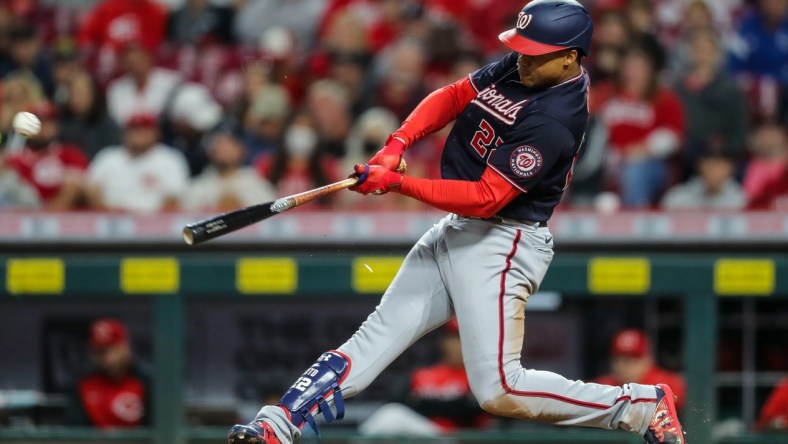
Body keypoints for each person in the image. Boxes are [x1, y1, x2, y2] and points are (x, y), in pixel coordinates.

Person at [227, 2, 686, 444]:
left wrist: (398, 185)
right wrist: (397, 143)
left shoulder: (557, 119)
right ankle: (278, 424)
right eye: (521, 48)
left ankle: (639, 406)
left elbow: (487, 198)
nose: (522, 59)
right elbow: (455, 95)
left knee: (500, 389)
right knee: (374, 338)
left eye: (536, 53)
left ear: (569, 58)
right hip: (458, 228)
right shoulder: (526, 63)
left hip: (504, 240)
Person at [358, 319, 490, 436]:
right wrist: (447, 405)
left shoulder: (479, 377)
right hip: (420, 435)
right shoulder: (421, 375)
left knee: (393, 417)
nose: (457, 345)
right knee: (390, 415)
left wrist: (420, 403)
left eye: (463, 339)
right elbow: (395, 401)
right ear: (444, 342)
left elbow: (467, 412)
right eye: (453, 338)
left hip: (456, 437)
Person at [85, 112, 189, 212]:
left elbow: (173, 199)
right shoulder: (107, 157)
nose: (138, 134)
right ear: (124, 133)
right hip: (110, 222)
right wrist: (107, 213)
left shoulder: (170, 159)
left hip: (155, 224)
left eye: (144, 129)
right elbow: (91, 190)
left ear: (156, 133)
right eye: (134, 129)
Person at [66, 318, 151, 428]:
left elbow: (157, 425)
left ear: (124, 347)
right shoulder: (83, 383)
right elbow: (74, 428)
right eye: (98, 351)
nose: (104, 357)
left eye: (110, 349)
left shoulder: (145, 381)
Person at [5, 102, 89, 210]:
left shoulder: (70, 154)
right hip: (25, 214)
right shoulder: (17, 159)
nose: (42, 129)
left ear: (56, 126)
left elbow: (78, 189)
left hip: (66, 220)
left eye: (48, 123)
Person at [594, 329, 687, 411]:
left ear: (648, 360)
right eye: (619, 360)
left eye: (632, 360)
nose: (624, 366)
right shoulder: (602, 387)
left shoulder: (667, 385)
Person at [182, 131, 276, 211]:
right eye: (219, 145)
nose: (224, 149)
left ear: (241, 151)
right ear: (210, 153)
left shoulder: (255, 182)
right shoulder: (199, 185)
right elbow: (185, 212)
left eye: (229, 146)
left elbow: (270, 210)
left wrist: (239, 204)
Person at [661, 151, 747, 210]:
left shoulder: (739, 198)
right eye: (710, 166)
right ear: (700, 167)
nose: (715, 172)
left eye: (720, 167)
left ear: (730, 169)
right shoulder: (679, 197)